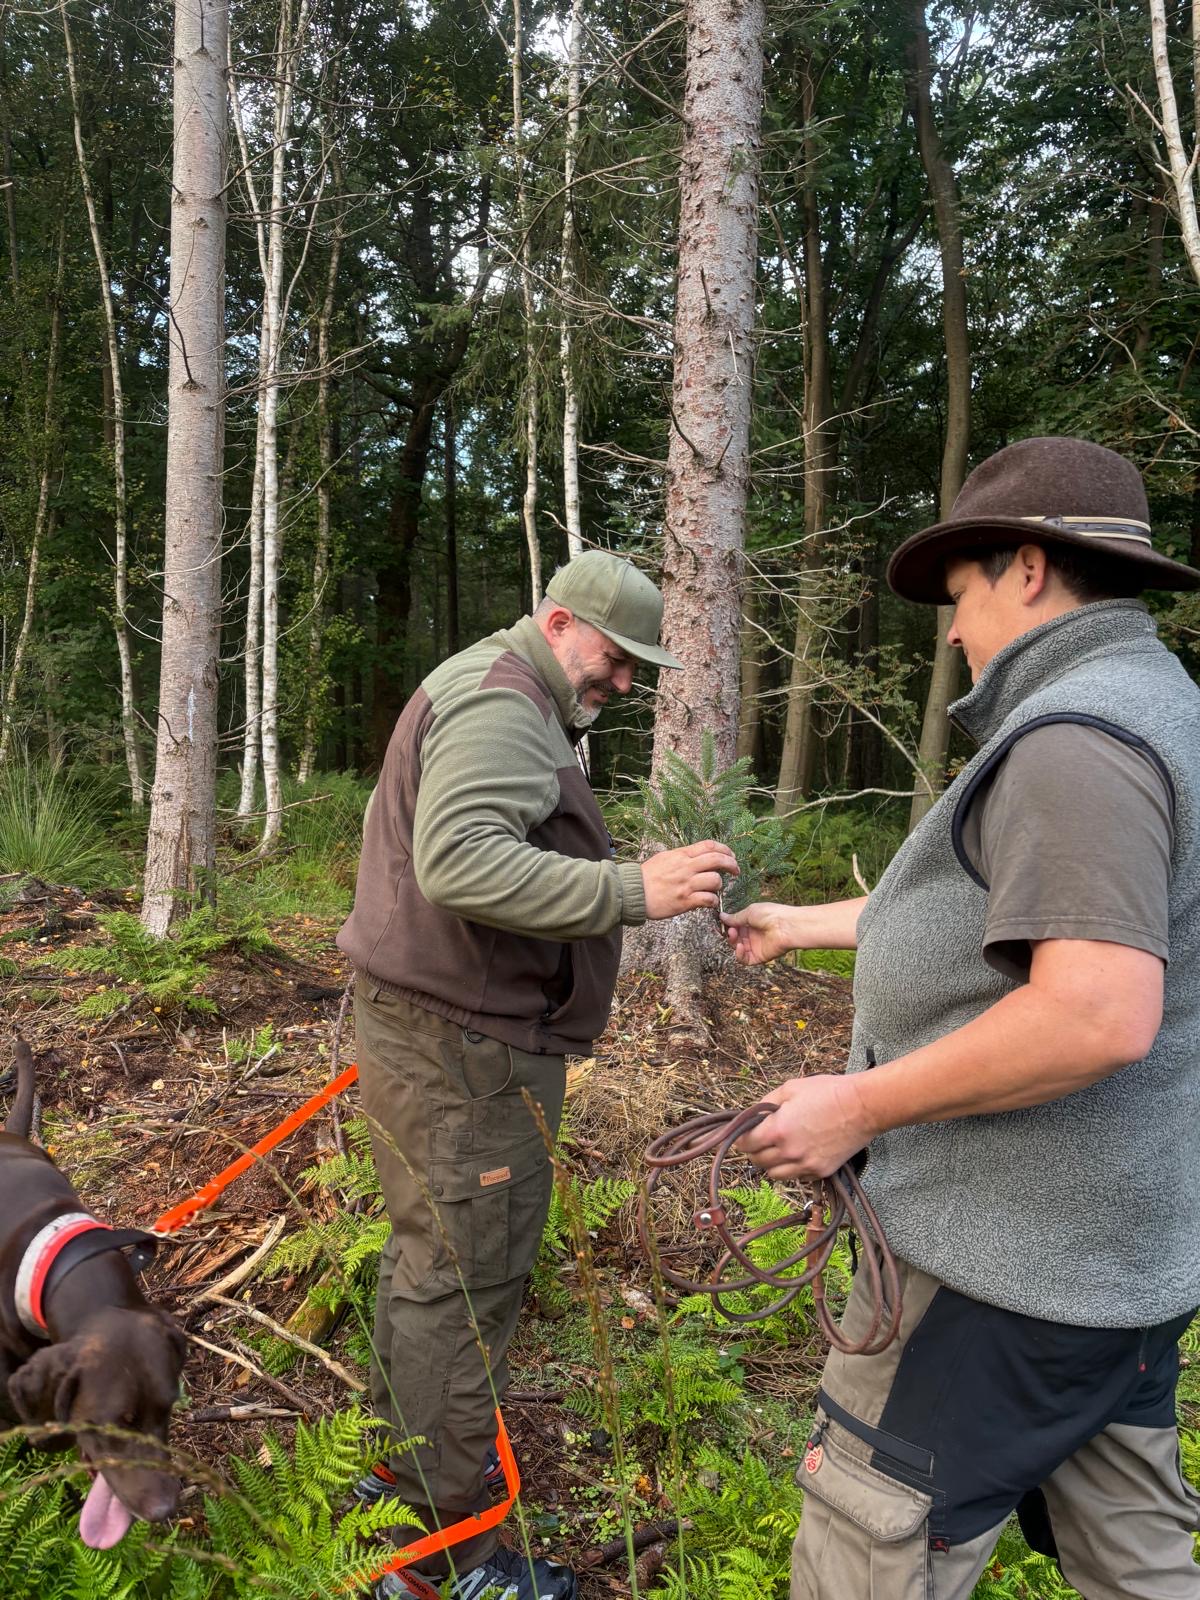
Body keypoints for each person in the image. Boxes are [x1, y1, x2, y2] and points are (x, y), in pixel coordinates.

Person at [723, 436, 1200, 1600]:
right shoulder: (1161, 706)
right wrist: (803, 924)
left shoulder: (1078, 744)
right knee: (1137, 1560)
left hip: (999, 1276)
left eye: (959, 596)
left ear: (1027, 569)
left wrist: (856, 1105)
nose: (950, 632)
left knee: (866, 1548)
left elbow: (1094, 1012)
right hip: (1117, 1266)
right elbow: (1023, 919)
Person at [337, 550, 737, 1600]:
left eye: (641, 667)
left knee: (433, 1260)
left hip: (440, 1034)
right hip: (465, 1053)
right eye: (617, 657)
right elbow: (459, 861)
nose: (627, 682)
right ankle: (441, 1562)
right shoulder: (504, 707)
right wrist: (630, 890)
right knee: (467, 1279)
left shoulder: (499, 685)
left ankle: (395, 1483)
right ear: (558, 622)